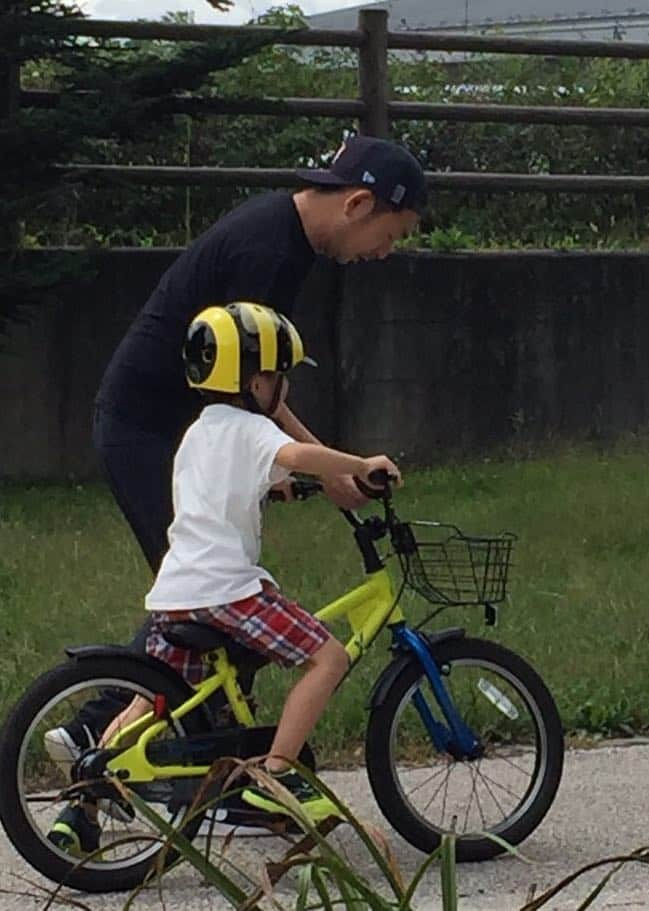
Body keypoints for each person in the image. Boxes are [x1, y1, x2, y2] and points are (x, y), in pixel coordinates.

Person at [44, 136, 426, 778]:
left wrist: (272, 472)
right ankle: (99, 739)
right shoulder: (269, 250)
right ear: (360, 203)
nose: (386, 252)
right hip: (148, 429)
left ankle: (211, 765)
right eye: (393, 233)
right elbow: (253, 384)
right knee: (203, 588)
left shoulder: (285, 236)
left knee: (215, 609)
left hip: (189, 431)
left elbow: (251, 392)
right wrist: (332, 470)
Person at [49, 302, 402, 856]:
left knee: (159, 698)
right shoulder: (253, 430)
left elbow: (251, 476)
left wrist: (280, 486)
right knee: (328, 658)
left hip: (177, 592)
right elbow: (296, 453)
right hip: (227, 592)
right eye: (279, 378)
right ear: (258, 381)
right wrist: (359, 464)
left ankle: (85, 798)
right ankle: (275, 777)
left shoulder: (200, 433)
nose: (282, 390)